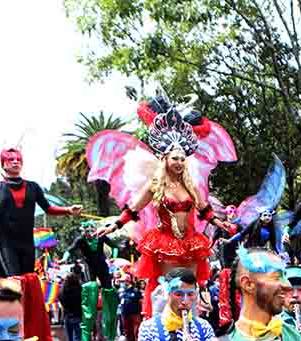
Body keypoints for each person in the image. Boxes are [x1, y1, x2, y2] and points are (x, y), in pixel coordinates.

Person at [95, 107, 223, 317]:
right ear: (165, 159)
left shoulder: (191, 185)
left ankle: (190, 333)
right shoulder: (155, 185)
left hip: (191, 243)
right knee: (170, 289)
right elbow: (134, 207)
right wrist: (115, 225)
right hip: (165, 244)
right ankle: (165, 332)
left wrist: (219, 223)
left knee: (190, 290)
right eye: (175, 158)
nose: (179, 162)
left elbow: (204, 208)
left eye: (182, 159)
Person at [0, 149, 83, 276]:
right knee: (14, 279)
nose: (16, 162)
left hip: (27, 241)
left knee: (28, 278)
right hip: (6, 243)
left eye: (18, 159)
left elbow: (48, 209)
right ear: (3, 164)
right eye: (11, 160)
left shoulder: (33, 187)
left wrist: (69, 210)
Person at [65, 221, 116, 289]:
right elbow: (70, 250)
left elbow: (115, 247)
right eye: (87, 231)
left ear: (95, 230)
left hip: (102, 265)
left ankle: (108, 298)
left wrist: (114, 257)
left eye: (92, 230)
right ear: (83, 232)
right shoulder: (80, 240)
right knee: (91, 286)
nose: (90, 233)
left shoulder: (101, 236)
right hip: (89, 266)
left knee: (107, 286)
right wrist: (64, 258)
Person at [60, 270, 84, 341]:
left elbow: (60, 300)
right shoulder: (79, 290)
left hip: (66, 315)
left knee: (69, 338)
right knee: (76, 337)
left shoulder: (62, 291)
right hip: (77, 315)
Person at [119, 275, 144, 341]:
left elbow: (141, 301)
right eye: (121, 281)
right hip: (124, 314)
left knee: (136, 331)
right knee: (127, 331)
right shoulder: (121, 291)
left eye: (124, 281)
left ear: (128, 281)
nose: (122, 283)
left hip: (135, 314)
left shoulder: (135, 291)